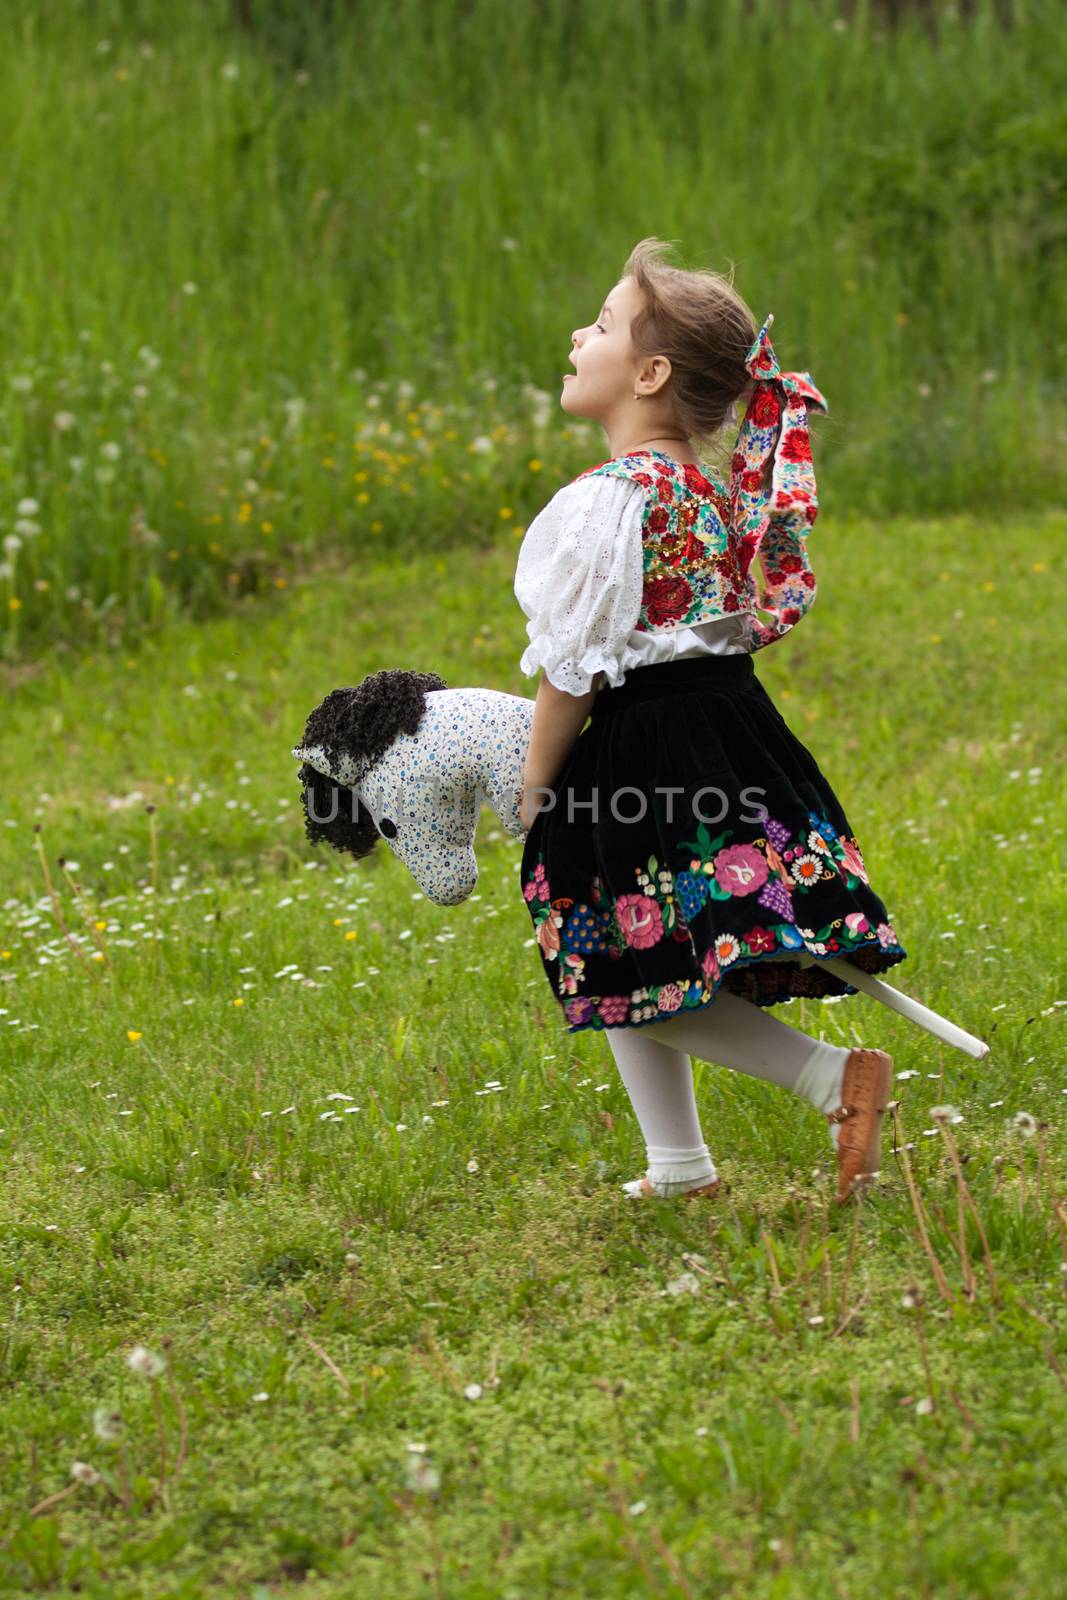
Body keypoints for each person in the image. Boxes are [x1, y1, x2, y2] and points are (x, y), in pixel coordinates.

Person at [513, 238, 907, 1207]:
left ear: (647, 373)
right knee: (636, 937)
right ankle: (679, 1164)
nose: (578, 334)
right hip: (728, 728)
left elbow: (572, 670)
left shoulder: (604, 502)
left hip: (644, 744)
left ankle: (827, 1076)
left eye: (600, 325)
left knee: (612, 949)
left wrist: (533, 782)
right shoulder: (707, 491)